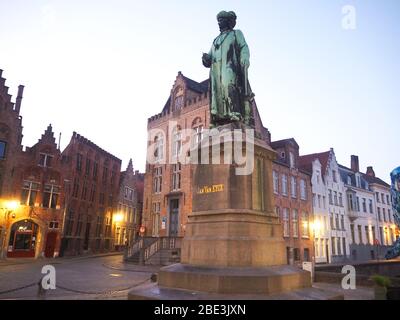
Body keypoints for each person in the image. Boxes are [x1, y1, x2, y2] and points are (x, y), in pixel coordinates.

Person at [202, 11, 254, 127]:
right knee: (217, 92)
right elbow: (210, 57)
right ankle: (218, 118)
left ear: (228, 21)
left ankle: (234, 112)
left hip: (229, 66)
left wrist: (245, 58)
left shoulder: (236, 34)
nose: (219, 23)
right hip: (216, 71)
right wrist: (206, 59)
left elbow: (244, 46)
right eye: (218, 21)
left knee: (229, 86)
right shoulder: (215, 40)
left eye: (221, 20)